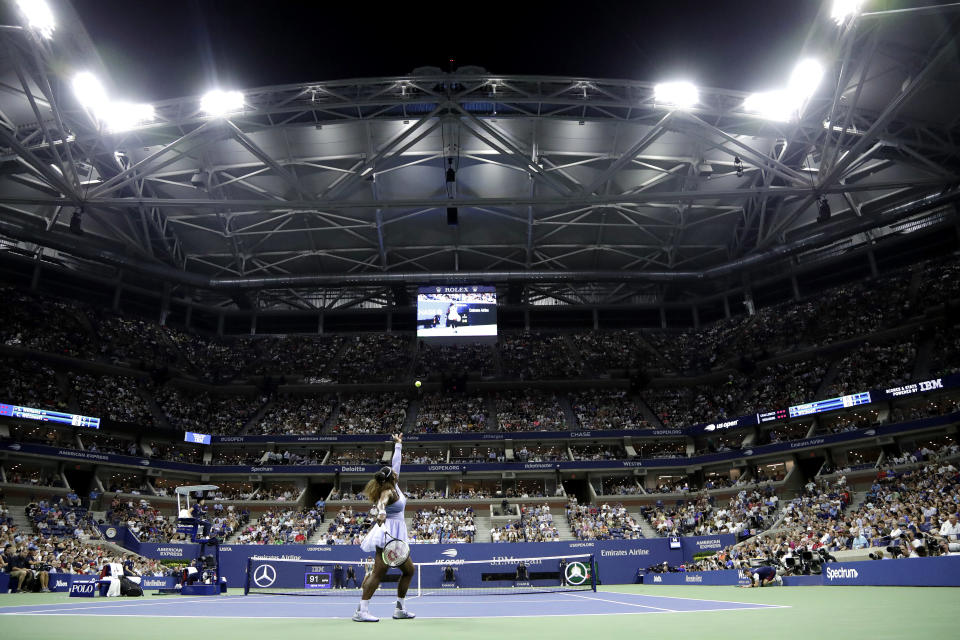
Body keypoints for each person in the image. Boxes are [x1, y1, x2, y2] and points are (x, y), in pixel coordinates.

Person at [353, 433, 416, 622]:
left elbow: (396, 463)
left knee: (408, 570)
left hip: (396, 534)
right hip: (387, 534)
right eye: (394, 472)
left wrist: (398, 445)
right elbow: (381, 503)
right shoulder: (387, 491)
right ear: (391, 478)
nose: (397, 472)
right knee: (380, 573)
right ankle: (361, 611)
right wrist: (380, 512)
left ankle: (399, 608)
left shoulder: (394, 483)